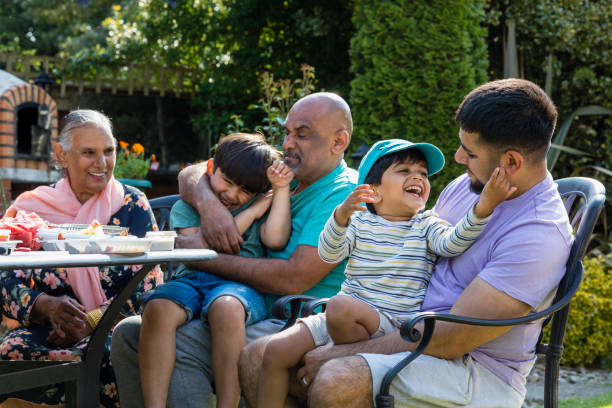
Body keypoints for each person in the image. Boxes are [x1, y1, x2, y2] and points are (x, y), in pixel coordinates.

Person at [287, 79, 574, 408]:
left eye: (470, 152)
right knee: (259, 358)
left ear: (510, 162)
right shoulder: (468, 186)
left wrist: (343, 353)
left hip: (474, 369)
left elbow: (453, 338)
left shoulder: (538, 236)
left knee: (337, 378)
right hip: (406, 326)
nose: (457, 157)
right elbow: (412, 244)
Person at [110, 92, 358, 408]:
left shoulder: (343, 195)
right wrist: (210, 205)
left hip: (294, 317)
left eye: (302, 134)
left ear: (338, 142)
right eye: (287, 131)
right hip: (237, 303)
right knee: (129, 332)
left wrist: (203, 255)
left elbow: (293, 278)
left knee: (176, 341)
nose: (288, 143)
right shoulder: (285, 176)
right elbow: (194, 173)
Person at [256, 138, 517, 407]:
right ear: (373, 192)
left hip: (391, 324)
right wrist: (340, 217)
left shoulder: (426, 225)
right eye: (404, 171)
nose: (417, 177)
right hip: (340, 317)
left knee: (341, 306)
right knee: (274, 351)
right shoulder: (357, 222)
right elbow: (329, 253)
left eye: (423, 174)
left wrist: (485, 206)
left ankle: (344, 359)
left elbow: (453, 242)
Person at [0, 109, 163, 407]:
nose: (102, 163)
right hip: (46, 329)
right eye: (89, 152)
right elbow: (5, 278)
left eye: (108, 151)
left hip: (115, 325)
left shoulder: (132, 205)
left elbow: (148, 284)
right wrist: (43, 305)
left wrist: (92, 320)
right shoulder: (31, 209)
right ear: (62, 155)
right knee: (12, 350)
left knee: (116, 350)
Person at [138, 133, 293, 408]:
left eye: (245, 190)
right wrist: (252, 212)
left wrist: (280, 191)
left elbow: (276, 240)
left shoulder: (264, 208)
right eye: (228, 182)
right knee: (158, 307)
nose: (232, 195)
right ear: (211, 168)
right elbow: (202, 248)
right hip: (191, 281)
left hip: (240, 286)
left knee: (227, 308)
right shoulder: (187, 207)